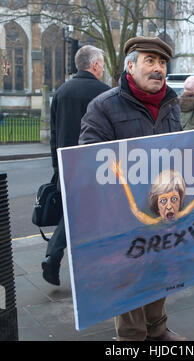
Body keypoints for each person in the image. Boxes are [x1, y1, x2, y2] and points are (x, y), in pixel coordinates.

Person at [79, 36, 187, 341]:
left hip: (160, 208)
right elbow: (89, 158)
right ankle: (130, 337)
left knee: (159, 266)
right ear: (130, 66)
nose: (158, 69)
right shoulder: (104, 106)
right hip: (122, 212)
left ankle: (158, 329)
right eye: (149, 61)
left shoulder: (172, 105)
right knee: (128, 275)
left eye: (162, 62)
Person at [41, 45, 110, 286]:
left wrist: (56, 166)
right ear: (94, 66)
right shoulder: (105, 93)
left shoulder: (61, 92)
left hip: (66, 165)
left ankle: (53, 257)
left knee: (73, 214)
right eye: (101, 65)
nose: (102, 69)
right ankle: (86, 267)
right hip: (96, 166)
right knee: (93, 216)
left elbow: (53, 133)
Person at [111, 140, 194, 225]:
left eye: (174, 199)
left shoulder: (181, 215)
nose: (169, 206)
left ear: (180, 201)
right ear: (157, 207)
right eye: (163, 201)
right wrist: (122, 178)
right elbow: (135, 210)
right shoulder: (156, 223)